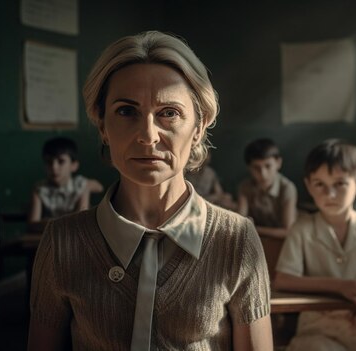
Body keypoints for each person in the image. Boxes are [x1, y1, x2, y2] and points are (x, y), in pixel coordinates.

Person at [28, 31, 272, 351]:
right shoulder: (62, 242)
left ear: (198, 126)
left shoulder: (237, 239)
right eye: (127, 111)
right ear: (102, 124)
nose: (148, 136)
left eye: (169, 113)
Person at [274, 139, 356, 351]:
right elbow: (283, 280)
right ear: (308, 186)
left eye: (340, 184)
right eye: (320, 184)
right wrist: (339, 286)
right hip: (318, 330)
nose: (329, 194)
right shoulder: (301, 229)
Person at [27, 136, 103, 231]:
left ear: (74, 165)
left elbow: (80, 221)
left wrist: (86, 188)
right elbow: (33, 225)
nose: (54, 167)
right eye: (49, 162)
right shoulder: (40, 189)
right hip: (52, 238)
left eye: (61, 161)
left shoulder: (81, 185)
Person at [237, 138, 297, 239]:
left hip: (281, 241)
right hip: (257, 239)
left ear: (278, 163)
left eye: (268, 166)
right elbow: (239, 224)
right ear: (249, 167)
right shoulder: (245, 187)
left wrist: (253, 228)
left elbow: (288, 231)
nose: (263, 174)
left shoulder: (287, 188)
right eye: (256, 168)